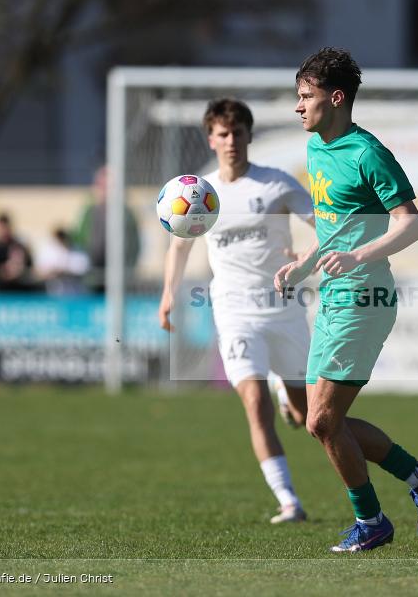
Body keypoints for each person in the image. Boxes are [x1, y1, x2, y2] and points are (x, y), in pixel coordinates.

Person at [274, 47, 418, 553]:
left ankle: (371, 521)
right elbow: (339, 225)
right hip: (331, 296)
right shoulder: (316, 149)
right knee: (325, 422)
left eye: (305, 97)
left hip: (365, 298)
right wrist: (306, 264)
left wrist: (357, 258)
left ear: (335, 97)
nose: (298, 107)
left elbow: (411, 224)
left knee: (322, 420)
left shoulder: (366, 152)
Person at [158, 98, 315, 523]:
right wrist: (169, 293)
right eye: (223, 134)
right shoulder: (198, 194)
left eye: (238, 133)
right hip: (233, 312)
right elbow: (179, 245)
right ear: (211, 139)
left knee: (307, 417)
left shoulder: (276, 184)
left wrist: (306, 257)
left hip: (283, 309)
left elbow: (323, 224)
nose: (231, 141)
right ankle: (288, 500)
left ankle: (290, 397)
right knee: (252, 400)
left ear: (248, 135)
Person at [72, 163, 141, 293]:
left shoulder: (127, 214)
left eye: (108, 186)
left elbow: (134, 247)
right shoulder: (89, 212)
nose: (103, 190)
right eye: (100, 186)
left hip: (119, 281)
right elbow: (79, 241)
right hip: (91, 281)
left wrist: (126, 272)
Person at [0, 213, 34, 291]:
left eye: (4, 227)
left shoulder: (19, 246)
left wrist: (18, 269)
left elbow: (29, 267)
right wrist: (3, 271)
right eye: (0, 228)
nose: (2, 231)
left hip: (19, 289)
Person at [35, 227, 90, 295]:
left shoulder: (78, 252)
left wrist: (63, 271)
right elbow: (39, 272)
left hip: (76, 293)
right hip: (54, 293)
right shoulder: (48, 251)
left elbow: (83, 270)